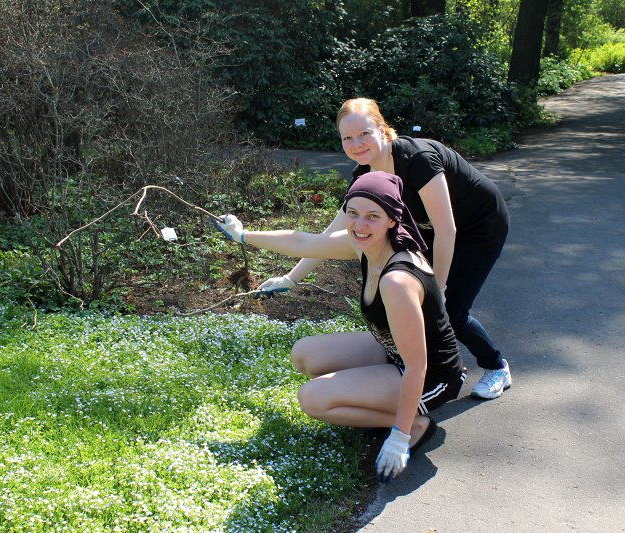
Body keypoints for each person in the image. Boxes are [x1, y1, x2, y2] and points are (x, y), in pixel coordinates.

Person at [212, 171, 466, 482]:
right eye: (353, 213)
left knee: (313, 398)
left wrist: (398, 437)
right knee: (304, 355)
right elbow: (303, 241)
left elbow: (418, 365)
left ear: (392, 219)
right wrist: (243, 235)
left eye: (373, 216)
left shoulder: (397, 280)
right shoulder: (365, 245)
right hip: (391, 350)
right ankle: (372, 398)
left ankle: (414, 425)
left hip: (431, 376)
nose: (360, 225)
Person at [259, 98, 511, 400]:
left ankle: (495, 366)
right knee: (407, 299)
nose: (357, 143)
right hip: (427, 228)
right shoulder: (364, 177)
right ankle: (433, 364)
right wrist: (291, 278)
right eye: (347, 138)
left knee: (451, 310)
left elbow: (448, 229)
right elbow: (328, 237)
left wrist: (438, 288)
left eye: (364, 133)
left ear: (382, 129)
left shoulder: (418, 160)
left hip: (478, 225)